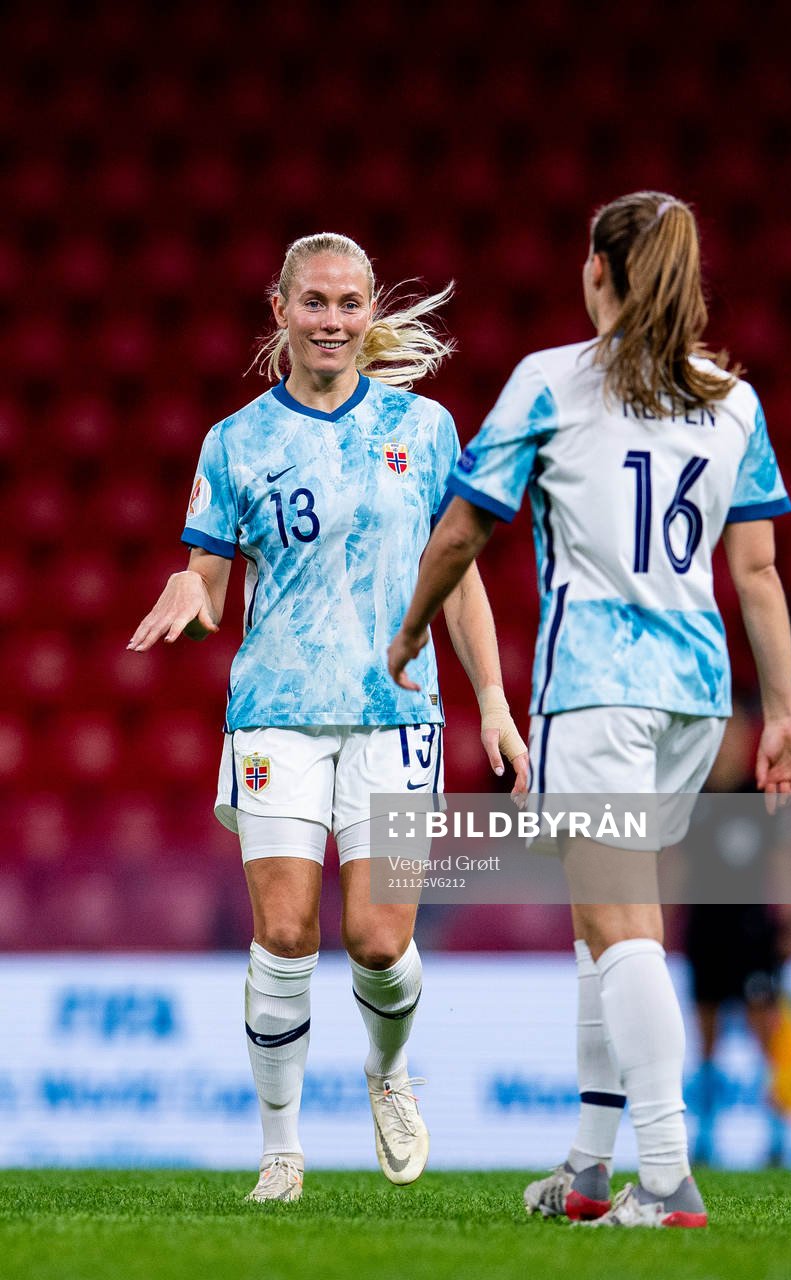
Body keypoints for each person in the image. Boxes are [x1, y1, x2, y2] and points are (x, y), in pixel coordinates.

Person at [388, 192, 791, 1228]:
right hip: (696, 702)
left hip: (596, 691)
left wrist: (406, 634)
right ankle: (586, 1167)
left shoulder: (551, 381)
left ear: (596, 270)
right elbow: (755, 569)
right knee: (600, 927)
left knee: (621, 926)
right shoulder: (731, 401)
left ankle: (664, 1176)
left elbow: (459, 534)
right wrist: (786, 715)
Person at [128, 233, 528, 1203]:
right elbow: (212, 582)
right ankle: (281, 1150)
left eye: (348, 303)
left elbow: (457, 576)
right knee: (286, 930)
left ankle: (387, 1071)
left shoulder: (424, 426)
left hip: (395, 713)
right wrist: (189, 586)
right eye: (314, 302)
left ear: (368, 311)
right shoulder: (235, 441)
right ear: (281, 310)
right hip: (276, 714)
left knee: (381, 944)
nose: (333, 320)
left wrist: (492, 704)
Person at [682, 704, 791, 1167]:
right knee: (706, 1040)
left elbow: (786, 859)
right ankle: (706, 1137)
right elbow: (673, 862)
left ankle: (778, 1138)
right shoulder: (692, 794)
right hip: (704, 927)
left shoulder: (761, 794)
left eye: (734, 732)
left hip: (753, 928)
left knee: (766, 1036)